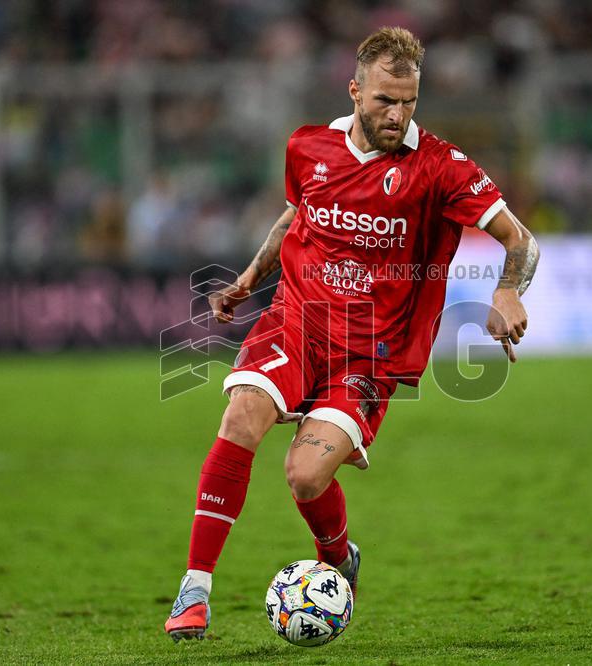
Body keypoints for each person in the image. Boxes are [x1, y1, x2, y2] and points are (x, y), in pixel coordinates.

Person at [165, 26, 539, 641]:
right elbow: (297, 213)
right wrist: (251, 276)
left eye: (409, 102)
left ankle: (339, 556)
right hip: (296, 319)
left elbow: (519, 240)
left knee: (305, 477)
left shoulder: (442, 168)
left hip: (371, 353)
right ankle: (195, 589)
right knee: (240, 419)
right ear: (355, 90)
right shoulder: (308, 146)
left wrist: (506, 290)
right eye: (384, 101)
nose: (396, 115)